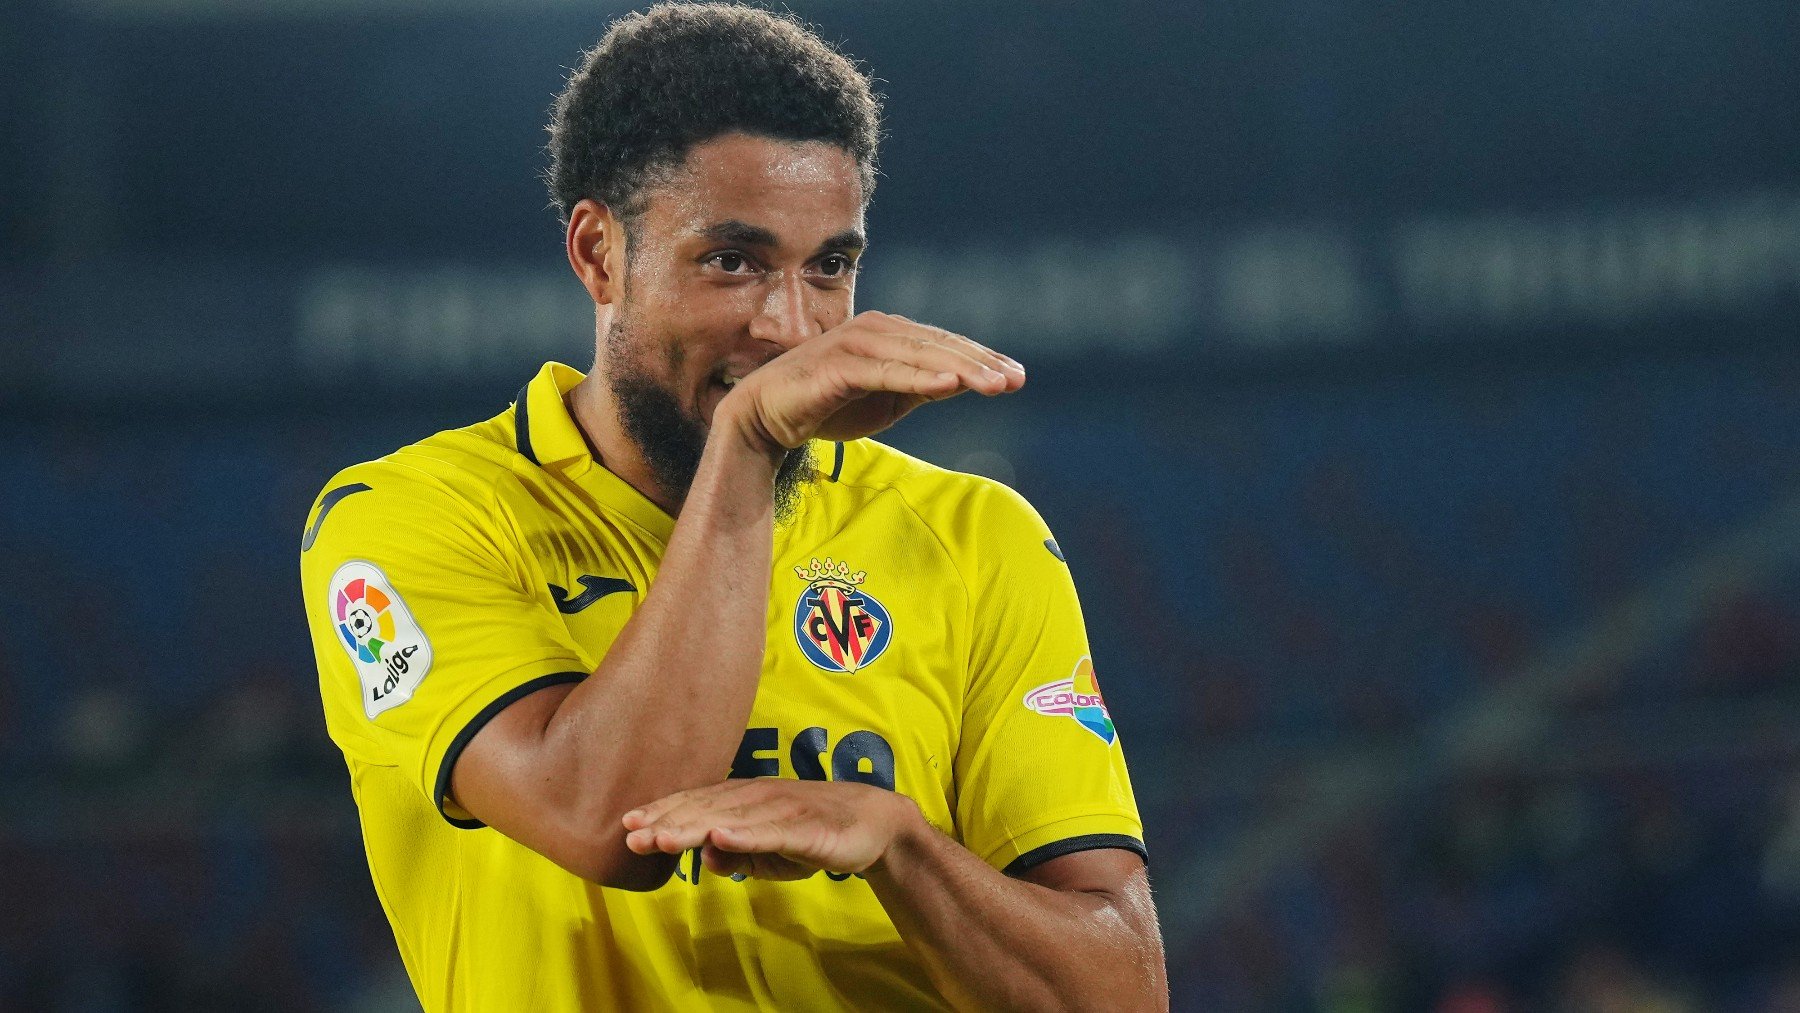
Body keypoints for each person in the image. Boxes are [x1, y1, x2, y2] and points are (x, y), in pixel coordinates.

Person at [299, 3, 1166, 1009]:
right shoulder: (411, 517)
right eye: (733, 260)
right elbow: (602, 818)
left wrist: (901, 844)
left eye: (830, 266)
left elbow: (1117, 995)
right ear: (598, 253)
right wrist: (748, 443)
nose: (789, 325)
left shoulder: (976, 537)